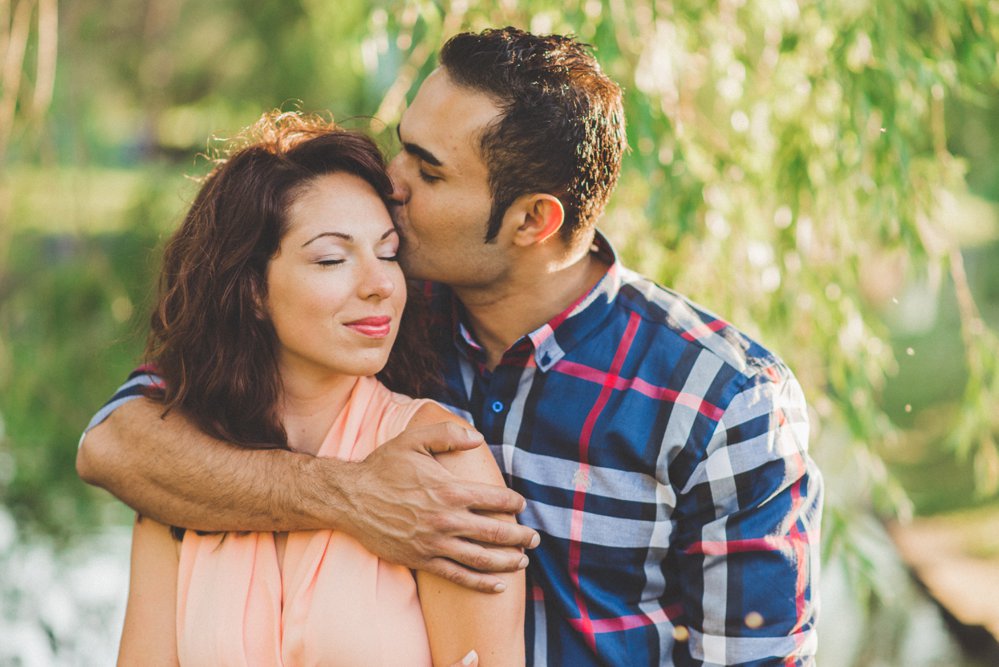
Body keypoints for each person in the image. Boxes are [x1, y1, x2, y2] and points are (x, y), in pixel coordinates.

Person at [81, 28, 823, 665]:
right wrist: (347, 492)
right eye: (402, 148)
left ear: (533, 219)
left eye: (427, 170)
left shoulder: (723, 403)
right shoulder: (374, 316)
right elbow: (117, 444)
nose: (389, 182)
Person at [114, 112, 524, 666]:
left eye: (387, 253)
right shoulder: (186, 471)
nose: (379, 284)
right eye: (332, 258)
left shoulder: (445, 462)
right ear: (252, 290)